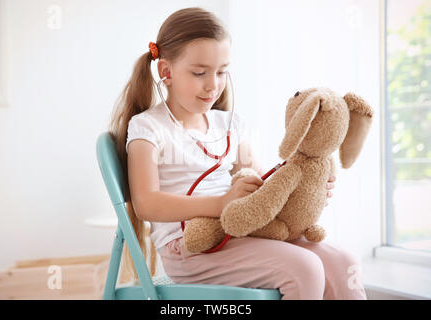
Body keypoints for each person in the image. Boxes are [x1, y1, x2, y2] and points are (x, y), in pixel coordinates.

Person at [109, 7, 367, 300]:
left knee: (345, 264)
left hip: (240, 229)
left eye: (221, 72)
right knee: (305, 268)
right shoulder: (148, 127)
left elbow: (262, 182)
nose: (213, 84)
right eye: (199, 72)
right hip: (192, 247)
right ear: (166, 72)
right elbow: (146, 204)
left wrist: (304, 189)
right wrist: (220, 204)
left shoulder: (228, 123)